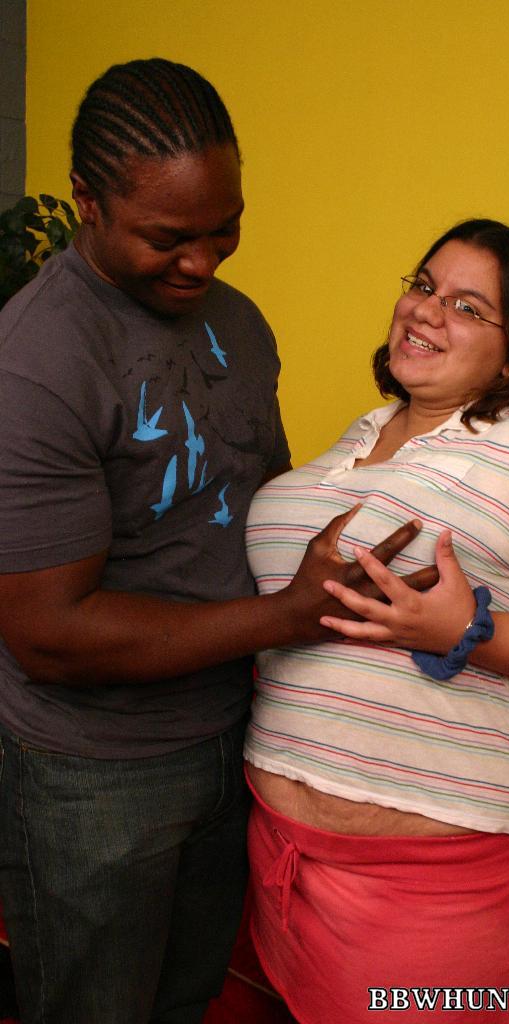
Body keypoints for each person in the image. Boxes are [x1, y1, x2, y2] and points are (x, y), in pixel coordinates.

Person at [0, 58, 430, 1024]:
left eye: (224, 227)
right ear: (87, 202)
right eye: (168, 238)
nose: (203, 262)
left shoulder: (237, 321)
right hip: (98, 772)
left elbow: (258, 504)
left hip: (241, 733)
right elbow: (49, 635)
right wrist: (287, 617)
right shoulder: (35, 363)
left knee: (189, 997)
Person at [244, 219, 509, 1022]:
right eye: (423, 286)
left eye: (467, 306)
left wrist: (468, 633)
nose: (425, 310)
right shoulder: (361, 437)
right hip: (283, 853)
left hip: (434, 879)